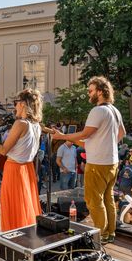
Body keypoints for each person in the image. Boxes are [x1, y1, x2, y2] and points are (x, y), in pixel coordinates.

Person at [52, 76, 125, 243]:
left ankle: (102, 235)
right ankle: (110, 232)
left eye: (91, 90)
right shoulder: (115, 110)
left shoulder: (98, 111)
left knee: (94, 200)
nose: (88, 93)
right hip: (111, 163)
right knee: (108, 198)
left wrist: (63, 136)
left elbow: (85, 134)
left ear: (100, 91)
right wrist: (104, 144)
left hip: (97, 164)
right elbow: (121, 134)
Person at [0, 88, 43, 231]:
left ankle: (14, 239)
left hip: (15, 170)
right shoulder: (36, 126)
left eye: (16, 102)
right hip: (27, 169)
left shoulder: (21, 123)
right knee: (24, 205)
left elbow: (4, 149)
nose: (14, 106)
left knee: (13, 206)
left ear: (23, 104)